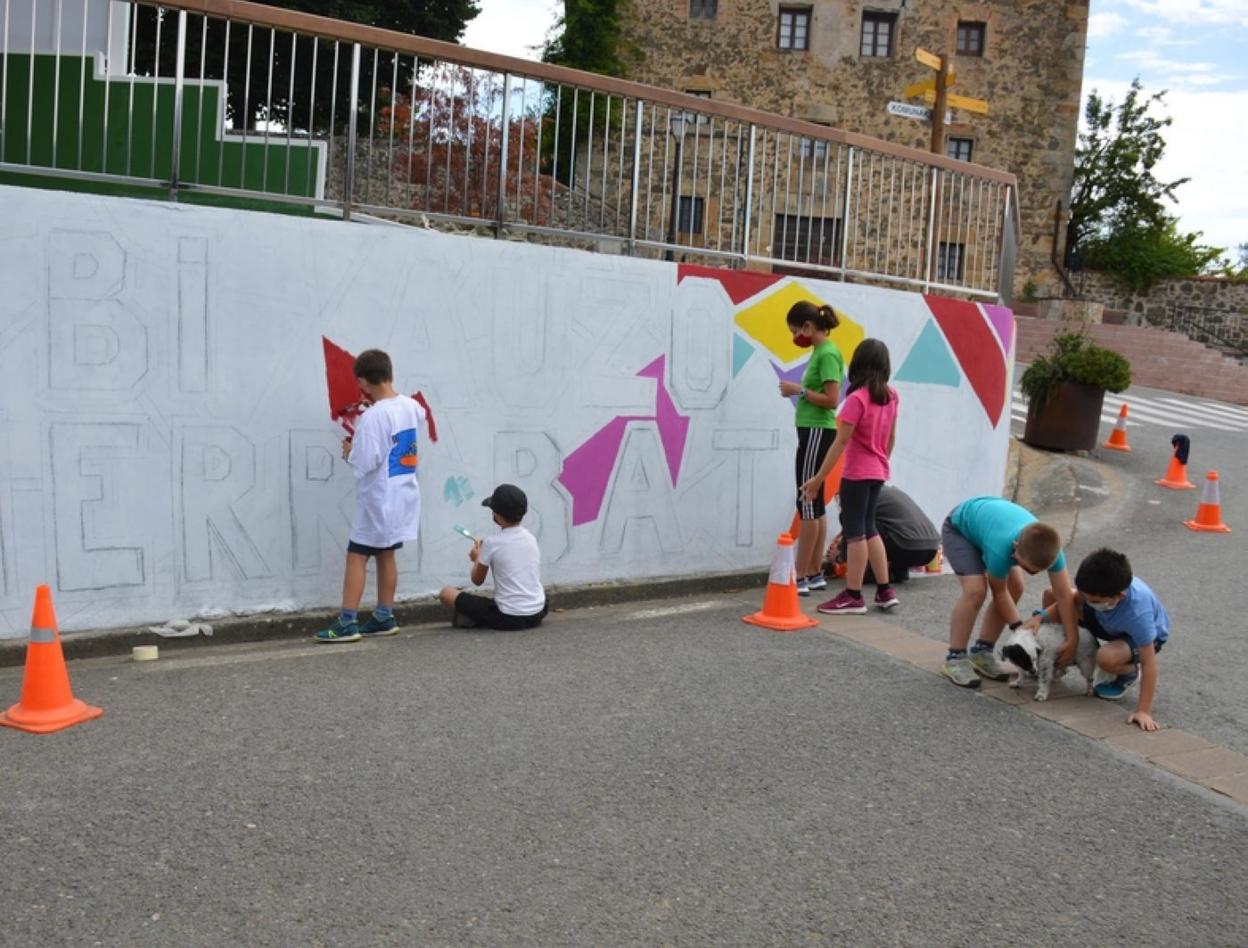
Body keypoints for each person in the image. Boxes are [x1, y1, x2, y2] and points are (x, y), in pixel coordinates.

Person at [316, 349, 425, 643]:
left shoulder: (374, 417)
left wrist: (350, 451)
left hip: (378, 498)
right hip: (402, 493)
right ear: (389, 373)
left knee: (357, 555)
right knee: (387, 552)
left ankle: (347, 622)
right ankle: (383, 616)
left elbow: (366, 462)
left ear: (363, 381)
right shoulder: (412, 406)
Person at [800, 338, 899, 615]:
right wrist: (881, 462)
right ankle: (885, 590)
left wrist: (818, 478)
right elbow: (891, 437)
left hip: (857, 474)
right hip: (878, 471)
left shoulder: (857, 399)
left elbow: (840, 442)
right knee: (870, 529)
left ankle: (853, 595)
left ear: (857, 364)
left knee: (855, 533)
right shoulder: (892, 396)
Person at [938, 496, 1078, 688]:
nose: (1032, 573)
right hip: (960, 528)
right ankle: (955, 658)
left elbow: (1064, 595)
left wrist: (1072, 638)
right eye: (1027, 568)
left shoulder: (1053, 551)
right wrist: (1021, 630)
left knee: (1016, 586)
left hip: (992, 526)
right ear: (1015, 549)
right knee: (976, 590)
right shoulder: (1000, 549)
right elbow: (1000, 593)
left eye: (1038, 571)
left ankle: (982, 652)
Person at [1035, 548, 1169, 731]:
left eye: (1094, 600)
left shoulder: (1138, 613)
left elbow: (1149, 663)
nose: (1089, 601)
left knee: (1105, 658)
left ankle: (1129, 671)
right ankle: (1060, 659)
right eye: (1086, 597)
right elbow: (1069, 600)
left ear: (1119, 596)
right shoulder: (1098, 594)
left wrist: (1143, 711)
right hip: (1106, 620)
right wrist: (1040, 617)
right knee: (1052, 593)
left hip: (1136, 637)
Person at [778, 300, 844, 597]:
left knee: (807, 500)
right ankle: (814, 572)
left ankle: (801, 574)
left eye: (796, 331)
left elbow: (832, 400)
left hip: (817, 430)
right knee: (814, 503)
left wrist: (798, 390)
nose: (796, 338)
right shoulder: (822, 352)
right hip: (814, 430)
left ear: (808, 326)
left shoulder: (826, 353)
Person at [438, 484, 548, 631]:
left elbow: (477, 580)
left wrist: (477, 558)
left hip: (510, 618)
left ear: (497, 515)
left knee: (446, 593)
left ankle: (473, 618)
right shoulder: (530, 538)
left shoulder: (491, 543)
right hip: (539, 611)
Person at [825, 485, 939, 584]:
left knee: (865, 527)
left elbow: (854, 535)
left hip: (905, 547)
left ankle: (872, 574)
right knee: (881, 526)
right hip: (931, 550)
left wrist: (840, 555)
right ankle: (898, 572)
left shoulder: (857, 497)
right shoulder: (889, 491)